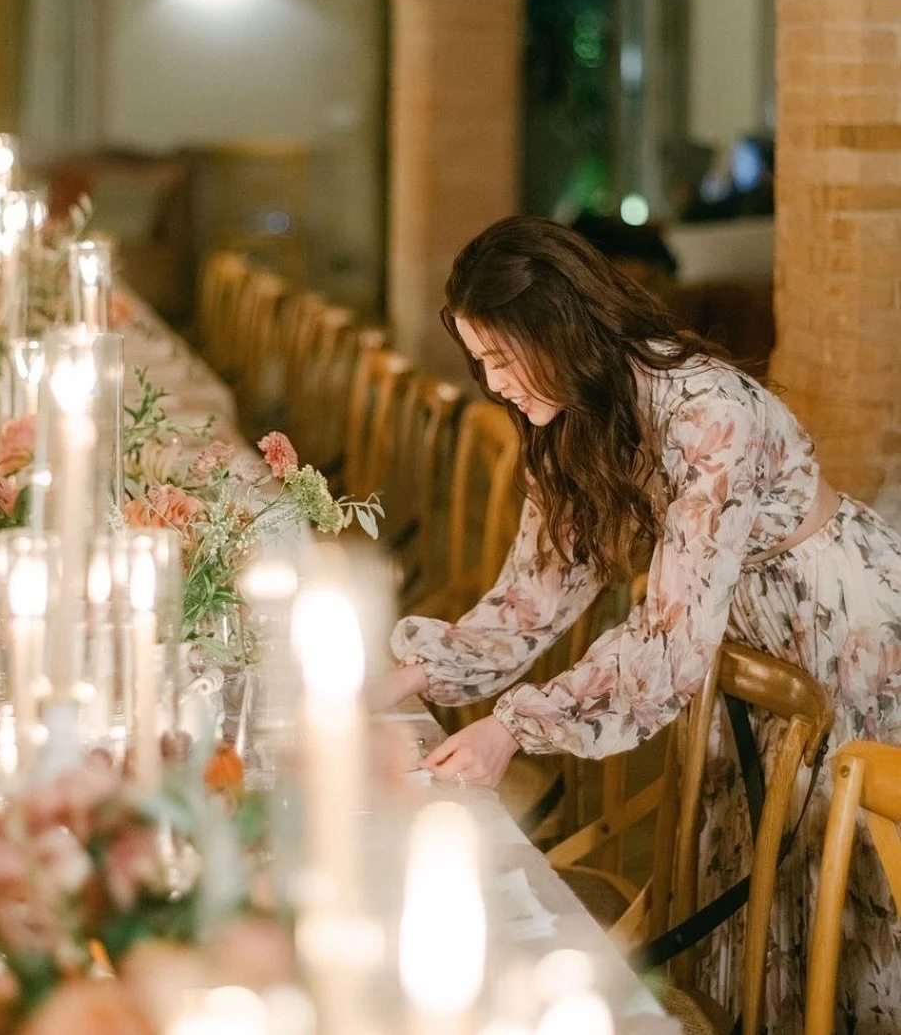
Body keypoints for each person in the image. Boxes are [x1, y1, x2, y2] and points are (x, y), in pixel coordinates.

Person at [378, 216, 901, 1033]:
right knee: (758, 873)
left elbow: (667, 642)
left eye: (502, 360)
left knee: (846, 885)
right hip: (738, 636)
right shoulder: (574, 413)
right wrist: (411, 674)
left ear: (557, 333)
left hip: (844, 625)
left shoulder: (705, 412)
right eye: (480, 363)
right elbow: (536, 593)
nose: (494, 383)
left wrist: (514, 725)